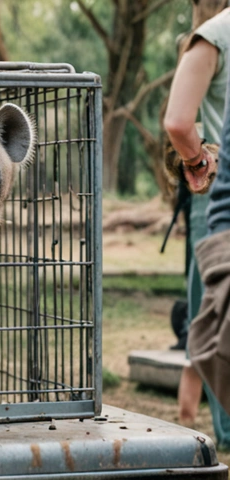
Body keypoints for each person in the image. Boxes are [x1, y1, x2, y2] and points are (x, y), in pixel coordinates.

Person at [164, 6, 230, 446]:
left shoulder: (214, 34)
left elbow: (177, 121)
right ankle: (195, 421)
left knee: (208, 319)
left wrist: (197, 159)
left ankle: (217, 428)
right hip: (213, 196)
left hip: (220, 200)